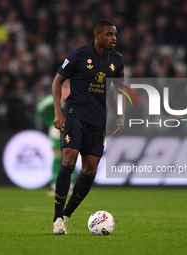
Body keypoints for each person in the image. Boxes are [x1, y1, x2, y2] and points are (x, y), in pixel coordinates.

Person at [51, 19, 125, 235]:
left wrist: (121, 115)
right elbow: (57, 81)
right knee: (68, 161)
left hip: (98, 120)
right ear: (98, 36)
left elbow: (120, 89)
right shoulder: (78, 55)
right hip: (75, 115)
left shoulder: (117, 60)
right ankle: (56, 218)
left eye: (115, 34)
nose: (114, 38)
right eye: (110, 34)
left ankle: (66, 216)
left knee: (90, 170)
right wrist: (58, 112)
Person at [36, 82, 77, 196]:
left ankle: (72, 186)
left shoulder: (76, 99)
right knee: (57, 157)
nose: (65, 93)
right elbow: (40, 109)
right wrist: (49, 122)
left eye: (67, 90)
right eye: (63, 91)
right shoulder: (53, 100)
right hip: (56, 132)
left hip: (72, 131)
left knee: (70, 157)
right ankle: (55, 186)